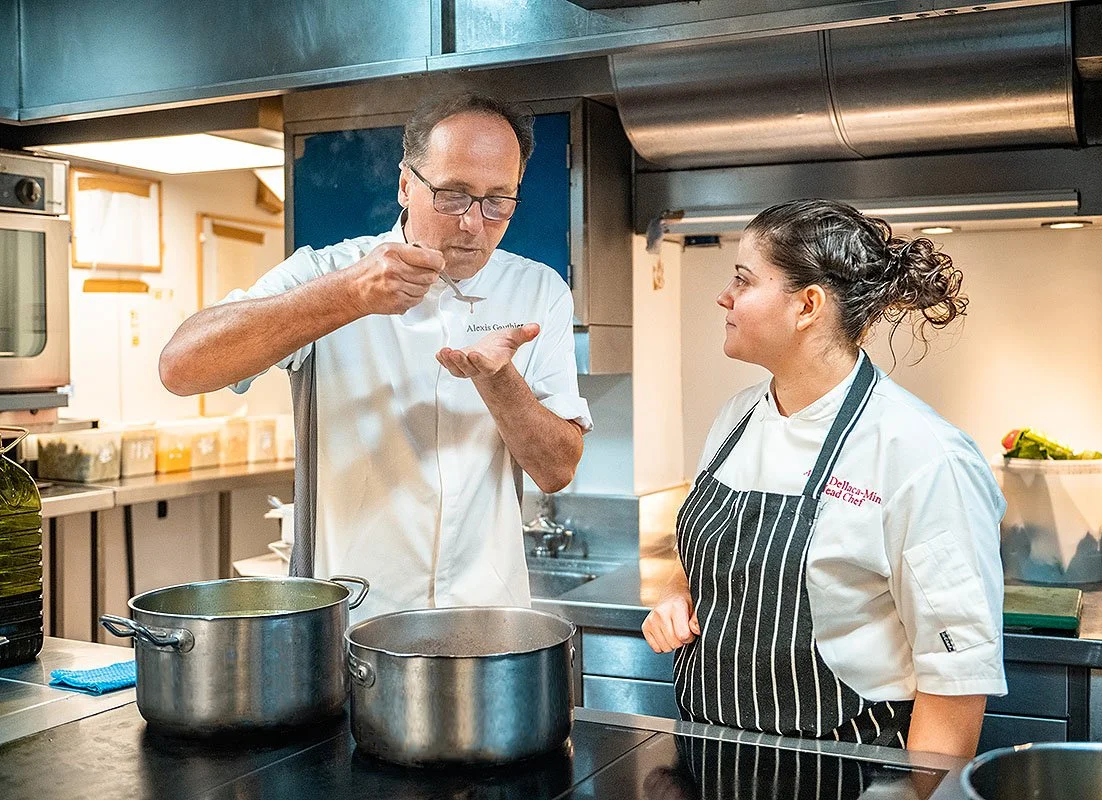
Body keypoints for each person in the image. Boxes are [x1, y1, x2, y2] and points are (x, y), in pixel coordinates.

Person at [159, 92, 591, 620]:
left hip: (486, 625)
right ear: (407, 183)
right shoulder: (330, 272)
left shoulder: (538, 289)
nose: (474, 224)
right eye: (453, 195)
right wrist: (349, 294)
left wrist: (501, 381)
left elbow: (556, 469)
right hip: (351, 624)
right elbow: (180, 366)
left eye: (498, 201)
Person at [641, 199, 1006, 758]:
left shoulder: (923, 455)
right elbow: (719, 564)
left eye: (743, 279)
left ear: (808, 305)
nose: (724, 296)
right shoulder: (736, 417)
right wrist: (678, 592)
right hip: (711, 756)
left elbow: (955, 677)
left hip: (847, 769)